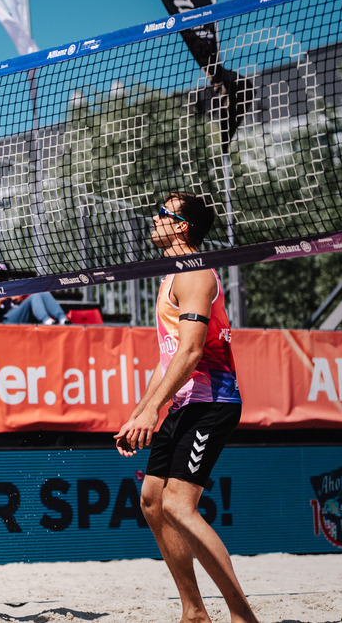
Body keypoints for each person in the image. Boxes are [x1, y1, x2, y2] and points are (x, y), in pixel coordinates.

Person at [115, 191, 258, 623]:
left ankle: (243, 617)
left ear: (182, 226)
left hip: (212, 401)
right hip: (186, 401)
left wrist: (151, 411)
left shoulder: (195, 273)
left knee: (178, 505)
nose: (153, 218)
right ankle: (194, 612)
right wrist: (141, 411)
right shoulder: (171, 275)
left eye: (163, 213)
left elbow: (193, 352)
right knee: (152, 500)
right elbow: (169, 360)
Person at [0, 263, 68, 325]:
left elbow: (23, 308)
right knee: (35, 296)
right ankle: (47, 321)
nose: (0, 279)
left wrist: (20, 301)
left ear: (7, 278)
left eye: (3, 276)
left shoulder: (13, 291)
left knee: (43, 293)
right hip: (4, 321)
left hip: (20, 317)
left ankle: (63, 319)